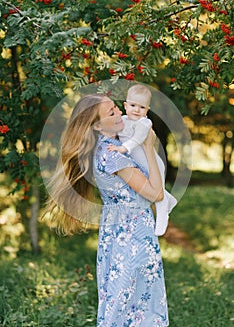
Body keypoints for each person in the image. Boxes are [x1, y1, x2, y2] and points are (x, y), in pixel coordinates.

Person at [42, 94, 169, 326]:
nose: (120, 112)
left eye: (116, 107)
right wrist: (149, 148)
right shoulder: (112, 156)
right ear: (97, 125)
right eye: (111, 113)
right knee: (134, 305)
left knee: (120, 300)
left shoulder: (112, 146)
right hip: (133, 235)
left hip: (119, 234)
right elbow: (156, 194)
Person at [108, 84, 177, 236]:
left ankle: (163, 209)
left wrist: (123, 149)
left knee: (158, 196)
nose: (137, 110)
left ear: (147, 110)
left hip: (151, 162)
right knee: (152, 189)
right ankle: (167, 199)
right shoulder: (124, 120)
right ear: (125, 105)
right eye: (133, 105)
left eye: (142, 107)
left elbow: (137, 139)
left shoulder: (145, 123)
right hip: (140, 163)